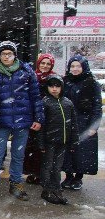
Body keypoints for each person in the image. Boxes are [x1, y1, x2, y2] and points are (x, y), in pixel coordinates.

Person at [0, 41, 44, 201]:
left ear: (15, 55)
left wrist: (38, 118)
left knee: (18, 154)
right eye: (3, 54)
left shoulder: (26, 72)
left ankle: (16, 183)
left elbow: (35, 96)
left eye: (9, 54)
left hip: (23, 120)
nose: (6, 57)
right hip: (1, 121)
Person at [62, 55, 102, 191]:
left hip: (84, 121)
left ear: (84, 67)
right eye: (72, 66)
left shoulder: (92, 83)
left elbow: (97, 106)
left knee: (82, 151)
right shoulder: (65, 81)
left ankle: (78, 177)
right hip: (67, 121)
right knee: (67, 150)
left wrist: (93, 126)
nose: (75, 69)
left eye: (78, 66)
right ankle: (68, 175)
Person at [39, 75, 78, 204]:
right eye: (51, 86)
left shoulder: (67, 102)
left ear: (62, 87)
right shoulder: (45, 102)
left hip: (63, 141)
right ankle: (47, 189)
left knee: (57, 167)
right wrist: (41, 143)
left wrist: (74, 140)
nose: (54, 89)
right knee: (48, 166)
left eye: (57, 86)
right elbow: (41, 126)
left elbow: (73, 124)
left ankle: (56, 188)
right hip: (50, 141)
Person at [24, 53, 56, 184]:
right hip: (32, 117)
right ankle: (33, 172)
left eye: (48, 64)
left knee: (45, 148)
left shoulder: (54, 79)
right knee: (32, 147)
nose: (45, 66)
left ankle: (44, 174)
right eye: (43, 63)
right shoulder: (33, 77)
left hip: (49, 118)